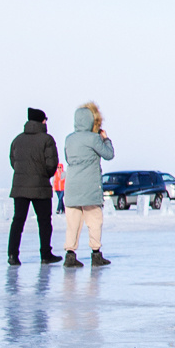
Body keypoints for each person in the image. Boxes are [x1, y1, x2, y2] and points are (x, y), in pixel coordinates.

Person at [61, 103, 114, 268]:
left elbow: (68, 158)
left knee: (72, 224)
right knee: (94, 221)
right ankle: (96, 254)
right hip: (90, 188)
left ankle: (70, 255)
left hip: (72, 187)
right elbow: (109, 155)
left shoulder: (69, 139)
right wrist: (106, 139)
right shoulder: (94, 139)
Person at [8, 108, 62, 266]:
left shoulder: (17, 140)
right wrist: (43, 174)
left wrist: (23, 173)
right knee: (44, 222)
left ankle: (12, 255)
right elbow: (52, 164)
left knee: (18, 221)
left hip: (20, 187)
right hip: (40, 187)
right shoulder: (47, 140)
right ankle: (45, 255)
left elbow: (13, 162)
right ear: (42, 121)